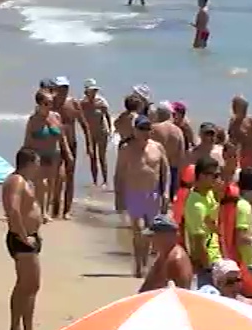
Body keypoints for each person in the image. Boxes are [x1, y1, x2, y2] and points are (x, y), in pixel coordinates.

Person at [118, 115, 169, 277]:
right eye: (141, 129)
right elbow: (119, 174)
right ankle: (138, 263)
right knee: (138, 229)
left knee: (149, 231)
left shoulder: (157, 147)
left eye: (147, 129)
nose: (145, 132)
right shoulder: (127, 149)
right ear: (135, 130)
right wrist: (118, 197)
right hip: (134, 193)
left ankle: (145, 263)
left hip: (153, 194)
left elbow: (165, 171)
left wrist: (166, 191)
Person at [2, 148, 42, 330]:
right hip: (22, 238)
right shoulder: (16, 180)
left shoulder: (26, 181)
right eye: (37, 162)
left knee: (26, 285)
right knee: (30, 285)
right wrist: (24, 236)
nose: (39, 167)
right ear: (29, 162)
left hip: (29, 236)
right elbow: (12, 209)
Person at [51, 77, 88, 219]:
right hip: (56, 144)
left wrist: (89, 145)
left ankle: (67, 210)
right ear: (56, 88)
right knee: (58, 176)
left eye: (66, 88)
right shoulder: (51, 103)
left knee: (70, 177)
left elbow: (84, 124)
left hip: (72, 144)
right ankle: (55, 208)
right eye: (61, 88)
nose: (63, 91)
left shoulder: (73, 103)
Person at [184, 156, 222, 288]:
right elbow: (198, 243)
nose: (218, 179)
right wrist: (208, 269)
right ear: (202, 176)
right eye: (215, 175)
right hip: (208, 264)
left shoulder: (208, 193)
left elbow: (212, 223)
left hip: (217, 257)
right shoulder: (196, 206)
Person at [150, 101, 185, 205]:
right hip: (173, 169)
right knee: (169, 204)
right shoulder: (178, 131)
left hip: (158, 169)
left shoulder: (154, 128)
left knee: (154, 203)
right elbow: (181, 155)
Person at [79, 79, 112, 188]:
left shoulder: (101, 102)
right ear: (86, 92)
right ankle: (94, 181)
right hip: (90, 134)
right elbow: (80, 117)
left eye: (95, 90)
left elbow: (107, 116)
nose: (93, 93)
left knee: (102, 157)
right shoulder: (82, 103)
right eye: (91, 91)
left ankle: (105, 181)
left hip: (102, 132)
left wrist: (110, 129)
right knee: (92, 157)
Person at [227, 95, 252, 171]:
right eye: (233, 105)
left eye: (235, 105)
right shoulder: (232, 121)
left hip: (250, 156)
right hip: (237, 156)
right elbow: (230, 139)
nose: (233, 107)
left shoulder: (251, 122)